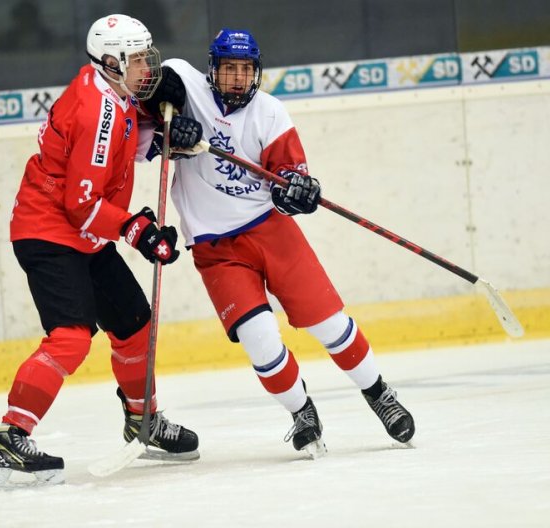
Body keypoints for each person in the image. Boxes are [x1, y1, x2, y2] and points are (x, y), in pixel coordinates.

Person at [156, 29, 415, 458]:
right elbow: (157, 83)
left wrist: (297, 190)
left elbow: (290, 175)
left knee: (330, 325)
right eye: (229, 69)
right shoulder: (186, 84)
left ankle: (378, 393)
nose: (238, 78)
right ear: (212, 69)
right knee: (259, 340)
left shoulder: (270, 114)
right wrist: (164, 115)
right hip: (216, 248)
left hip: (270, 230)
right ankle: (301, 410)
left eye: (245, 70)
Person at [0, 14, 204, 492]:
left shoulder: (115, 94)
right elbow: (81, 203)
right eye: (140, 60)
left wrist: (167, 130)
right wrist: (139, 232)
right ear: (111, 61)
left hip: (84, 232)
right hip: (49, 231)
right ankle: (10, 434)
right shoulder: (95, 109)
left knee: (135, 327)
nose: (148, 67)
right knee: (70, 337)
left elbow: (127, 145)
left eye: (148, 57)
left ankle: (142, 422)